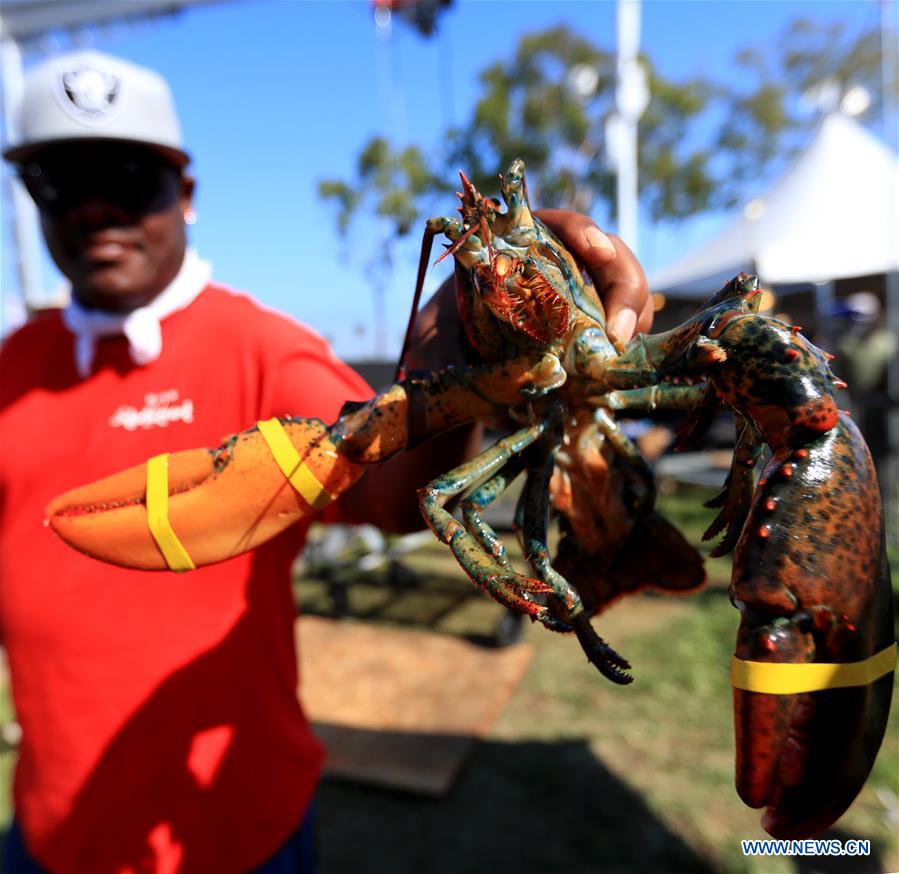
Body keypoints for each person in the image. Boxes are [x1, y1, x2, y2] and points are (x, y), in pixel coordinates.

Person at [0, 50, 651, 874]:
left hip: (241, 825)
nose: (97, 210)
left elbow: (386, 495)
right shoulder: (10, 365)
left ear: (187, 194)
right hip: (49, 828)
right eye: (60, 183)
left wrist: (451, 351)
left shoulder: (265, 347)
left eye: (129, 177)